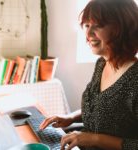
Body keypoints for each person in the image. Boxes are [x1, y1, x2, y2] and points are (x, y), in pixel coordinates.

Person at [40, 0, 138, 149]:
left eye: (97, 26)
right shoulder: (102, 63)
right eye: (86, 25)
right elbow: (101, 106)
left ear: (121, 28)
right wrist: (70, 118)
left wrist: (94, 139)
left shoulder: (135, 79)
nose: (88, 33)